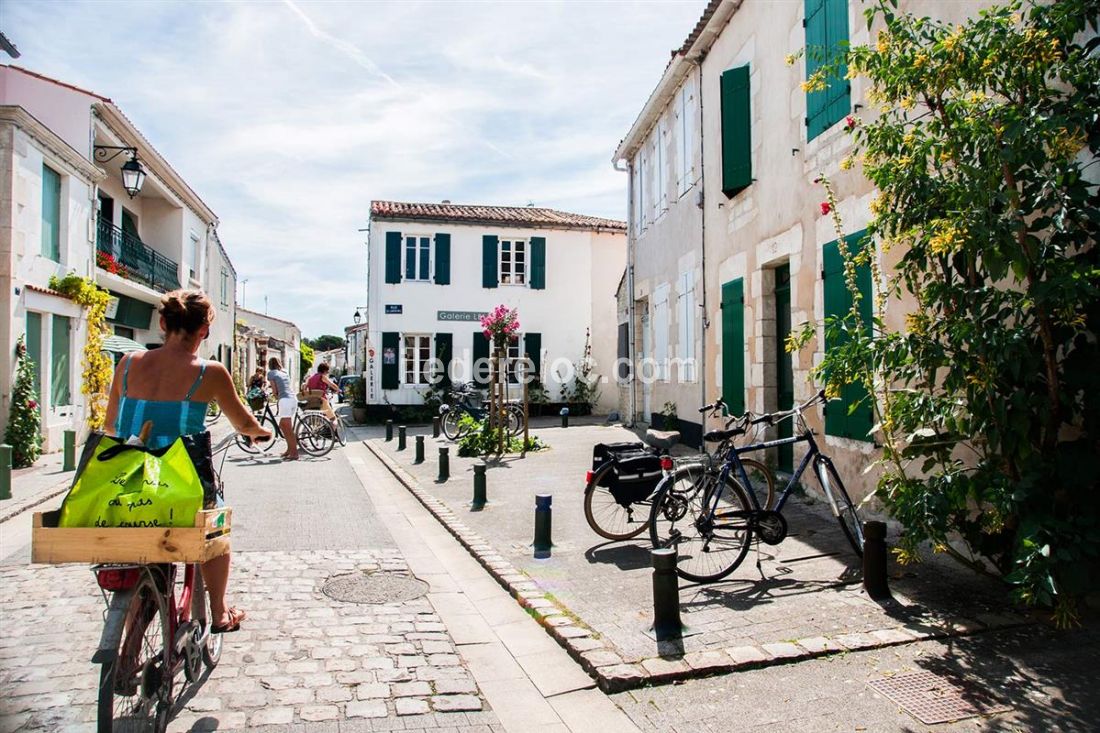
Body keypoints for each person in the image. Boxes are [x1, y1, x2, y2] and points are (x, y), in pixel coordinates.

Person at [104, 289, 271, 634]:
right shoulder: (209, 372)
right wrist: (258, 432)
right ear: (204, 332)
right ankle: (220, 611)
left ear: (163, 323)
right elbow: (242, 423)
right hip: (181, 485)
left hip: (126, 481)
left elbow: (110, 425)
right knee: (216, 529)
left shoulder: (127, 364)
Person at [267, 356, 299, 460]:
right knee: (283, 425)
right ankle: (289, 450)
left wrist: (273, 396)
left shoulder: (271, 373)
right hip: (293, 399)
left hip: (285, 400)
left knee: (287, 428)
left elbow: (275, 390)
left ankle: (294, 453)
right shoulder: (285, 372)